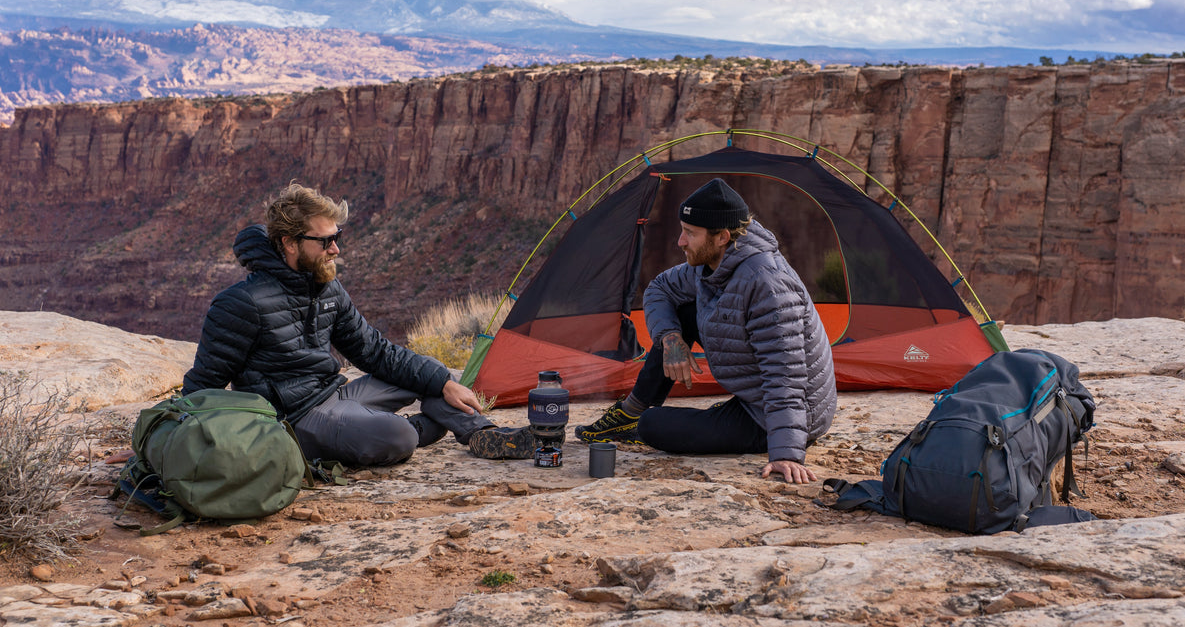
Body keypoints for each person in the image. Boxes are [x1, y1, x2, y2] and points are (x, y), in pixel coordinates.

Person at [182, 182, 534, 466]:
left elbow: (373, 351)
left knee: (436, 377)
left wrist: (440, 381)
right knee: (398, 437)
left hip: (336, 393)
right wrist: (169, 438)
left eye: (338, 237)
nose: (335, 249)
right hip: (296, 419)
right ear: (289, 243)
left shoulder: (326, 287)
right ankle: (411, 429)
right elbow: (204, 384)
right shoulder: (240, 303)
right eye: (325, 241)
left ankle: (484, 436)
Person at [574, 178, 837, 484]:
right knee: (681, 312)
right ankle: (627, 414)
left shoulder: (769, 285)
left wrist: (787, 453)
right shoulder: (711, 265)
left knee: (653, 426)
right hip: (754, 397)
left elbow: (785, 375)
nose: (680, 242)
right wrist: (671, 339)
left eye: (690, 233)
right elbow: (659, 289)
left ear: (722, 236)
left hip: (778, 416)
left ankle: (643, 420)